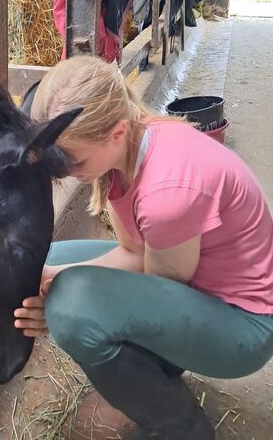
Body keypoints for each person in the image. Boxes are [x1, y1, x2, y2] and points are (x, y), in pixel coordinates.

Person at [14, 55, 273, 439]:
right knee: (49, 262)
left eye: (74, 160)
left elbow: (162, 283)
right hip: (202, 289)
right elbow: (135, 252)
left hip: (244, 327)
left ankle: (181, 428)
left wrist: (59, 294)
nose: (66, 172)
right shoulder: (134, 140)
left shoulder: (166, 196)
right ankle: (155, 371)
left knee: (70, 311)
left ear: (116, 133)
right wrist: (53, 275)